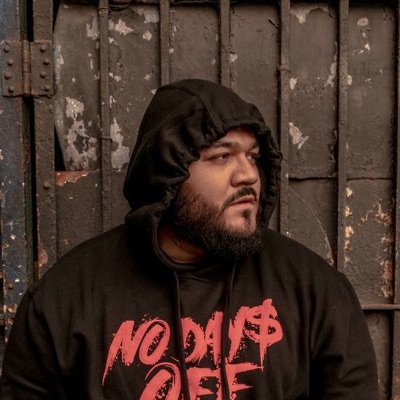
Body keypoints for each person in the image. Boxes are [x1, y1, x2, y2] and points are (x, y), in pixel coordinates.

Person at [0, 79, 378, 399]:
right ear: (169, 174)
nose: (248, 175)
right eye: (221, 157)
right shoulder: (66, 297)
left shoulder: (313, 289)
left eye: (252, 156)